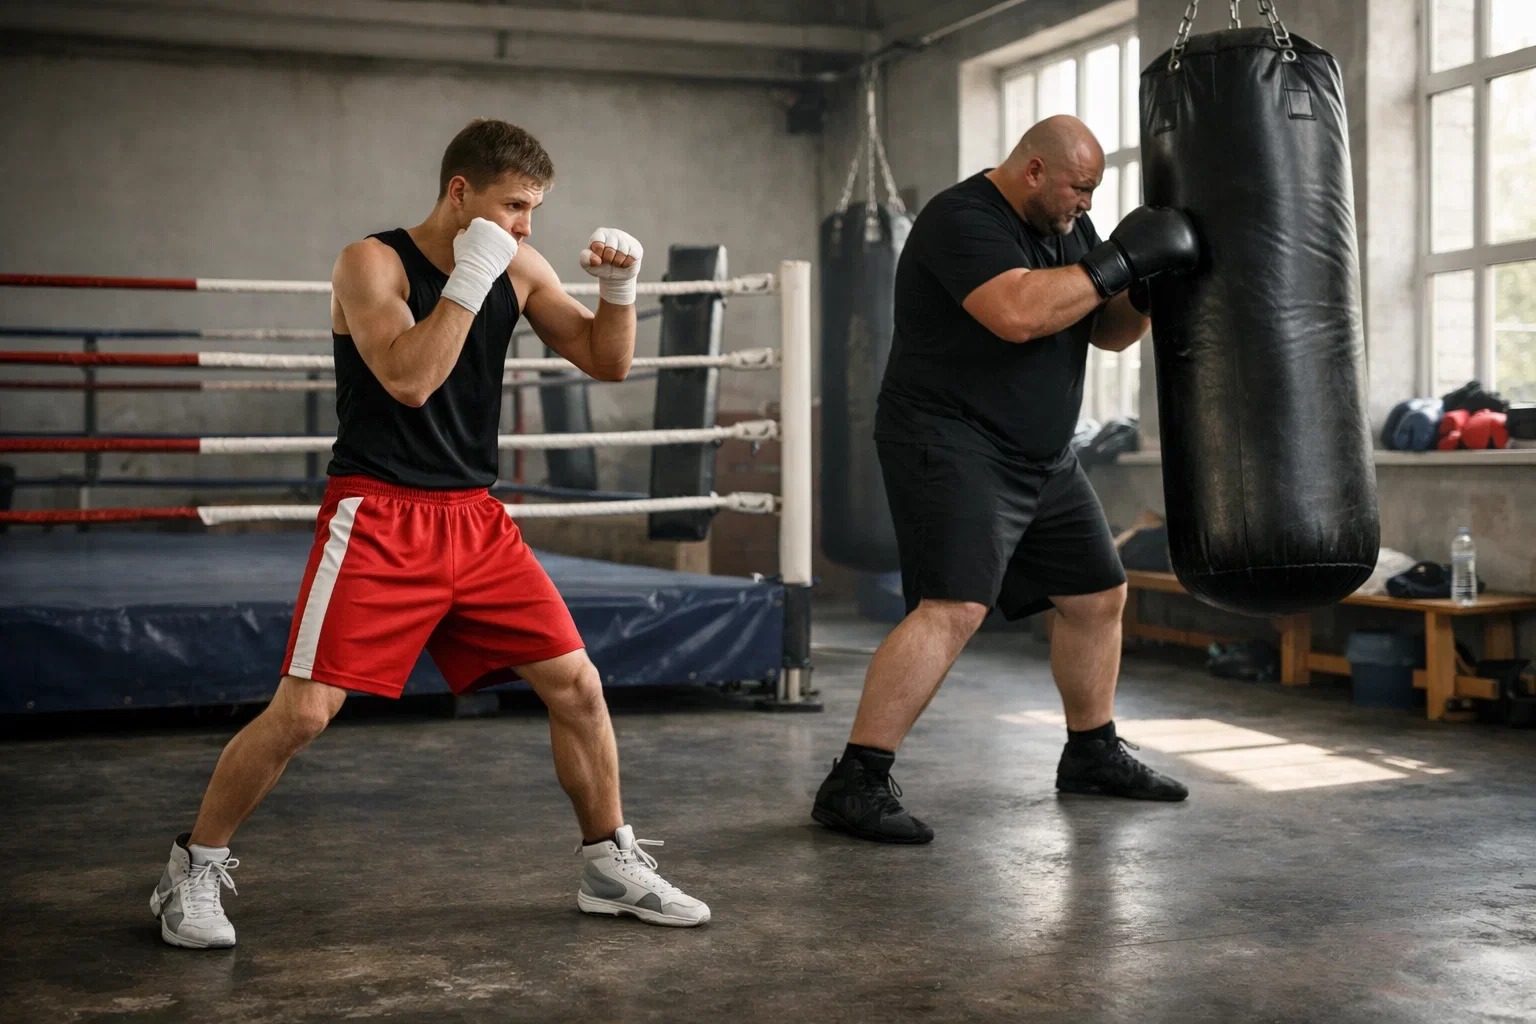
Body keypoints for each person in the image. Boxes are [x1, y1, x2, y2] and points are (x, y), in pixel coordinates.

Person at [150, 119, 709, 947]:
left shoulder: (518, 264)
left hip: (475, 521)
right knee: (304, 711)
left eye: (534, 210)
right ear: (460, 192)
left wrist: (618, 292)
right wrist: (473, 278)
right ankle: (191, 871)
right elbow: (409, 380)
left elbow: (606, 361)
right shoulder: (369, 263)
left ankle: (608, 864)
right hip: (377, 514)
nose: (525, 226)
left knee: (578, 687)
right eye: (514, 205)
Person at [811, 115, 1200, 844]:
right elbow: (1017, 312)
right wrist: (1116, 263)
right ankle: (855, 780)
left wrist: (1146, 281)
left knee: (1097, 595)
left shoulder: (1068, 230)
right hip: (951, 440)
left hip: (1041, 455)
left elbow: (1106, 329)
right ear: (1033, 171)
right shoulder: (960, 218)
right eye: (1079, 188)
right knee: (952, 606)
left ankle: (1091, 752)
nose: (1086, 203)